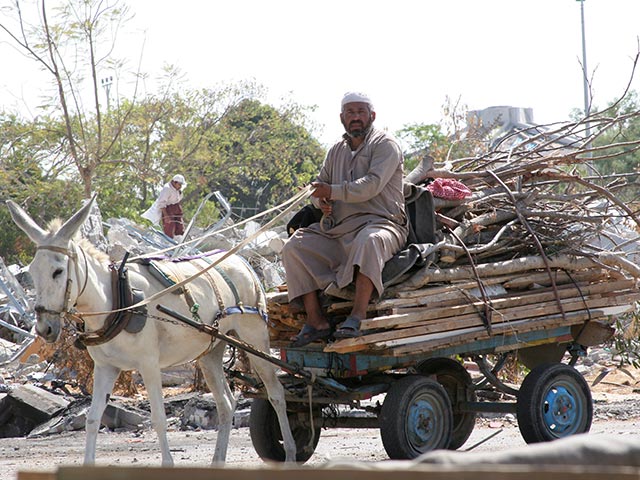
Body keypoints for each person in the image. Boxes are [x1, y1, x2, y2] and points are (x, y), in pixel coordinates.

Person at [282, 92, 409, 347]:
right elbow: (318, 190)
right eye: (350, 113)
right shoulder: (336, 151)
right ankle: (316, 320)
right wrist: (322, 201)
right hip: (339, 229)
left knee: (369, 241)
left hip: (382, 223)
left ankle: (357, 315)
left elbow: (370, 186)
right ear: (342, 118)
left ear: (372, 116)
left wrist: (332, 191)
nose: (356, 118)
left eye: (361, 112)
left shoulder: (385, 145)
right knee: (294, 246)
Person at [141, 174, 187, 240]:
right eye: (179, 184)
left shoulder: (178, 190)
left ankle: (179, 241)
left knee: (180, 226)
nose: (180, 186)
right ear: (174, 182)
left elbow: (178, 199)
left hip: (176, 207)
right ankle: (168, 241)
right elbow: (161, 203)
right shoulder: (167, 188)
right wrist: (166, 215)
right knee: (169, 227)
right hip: (168, 208)